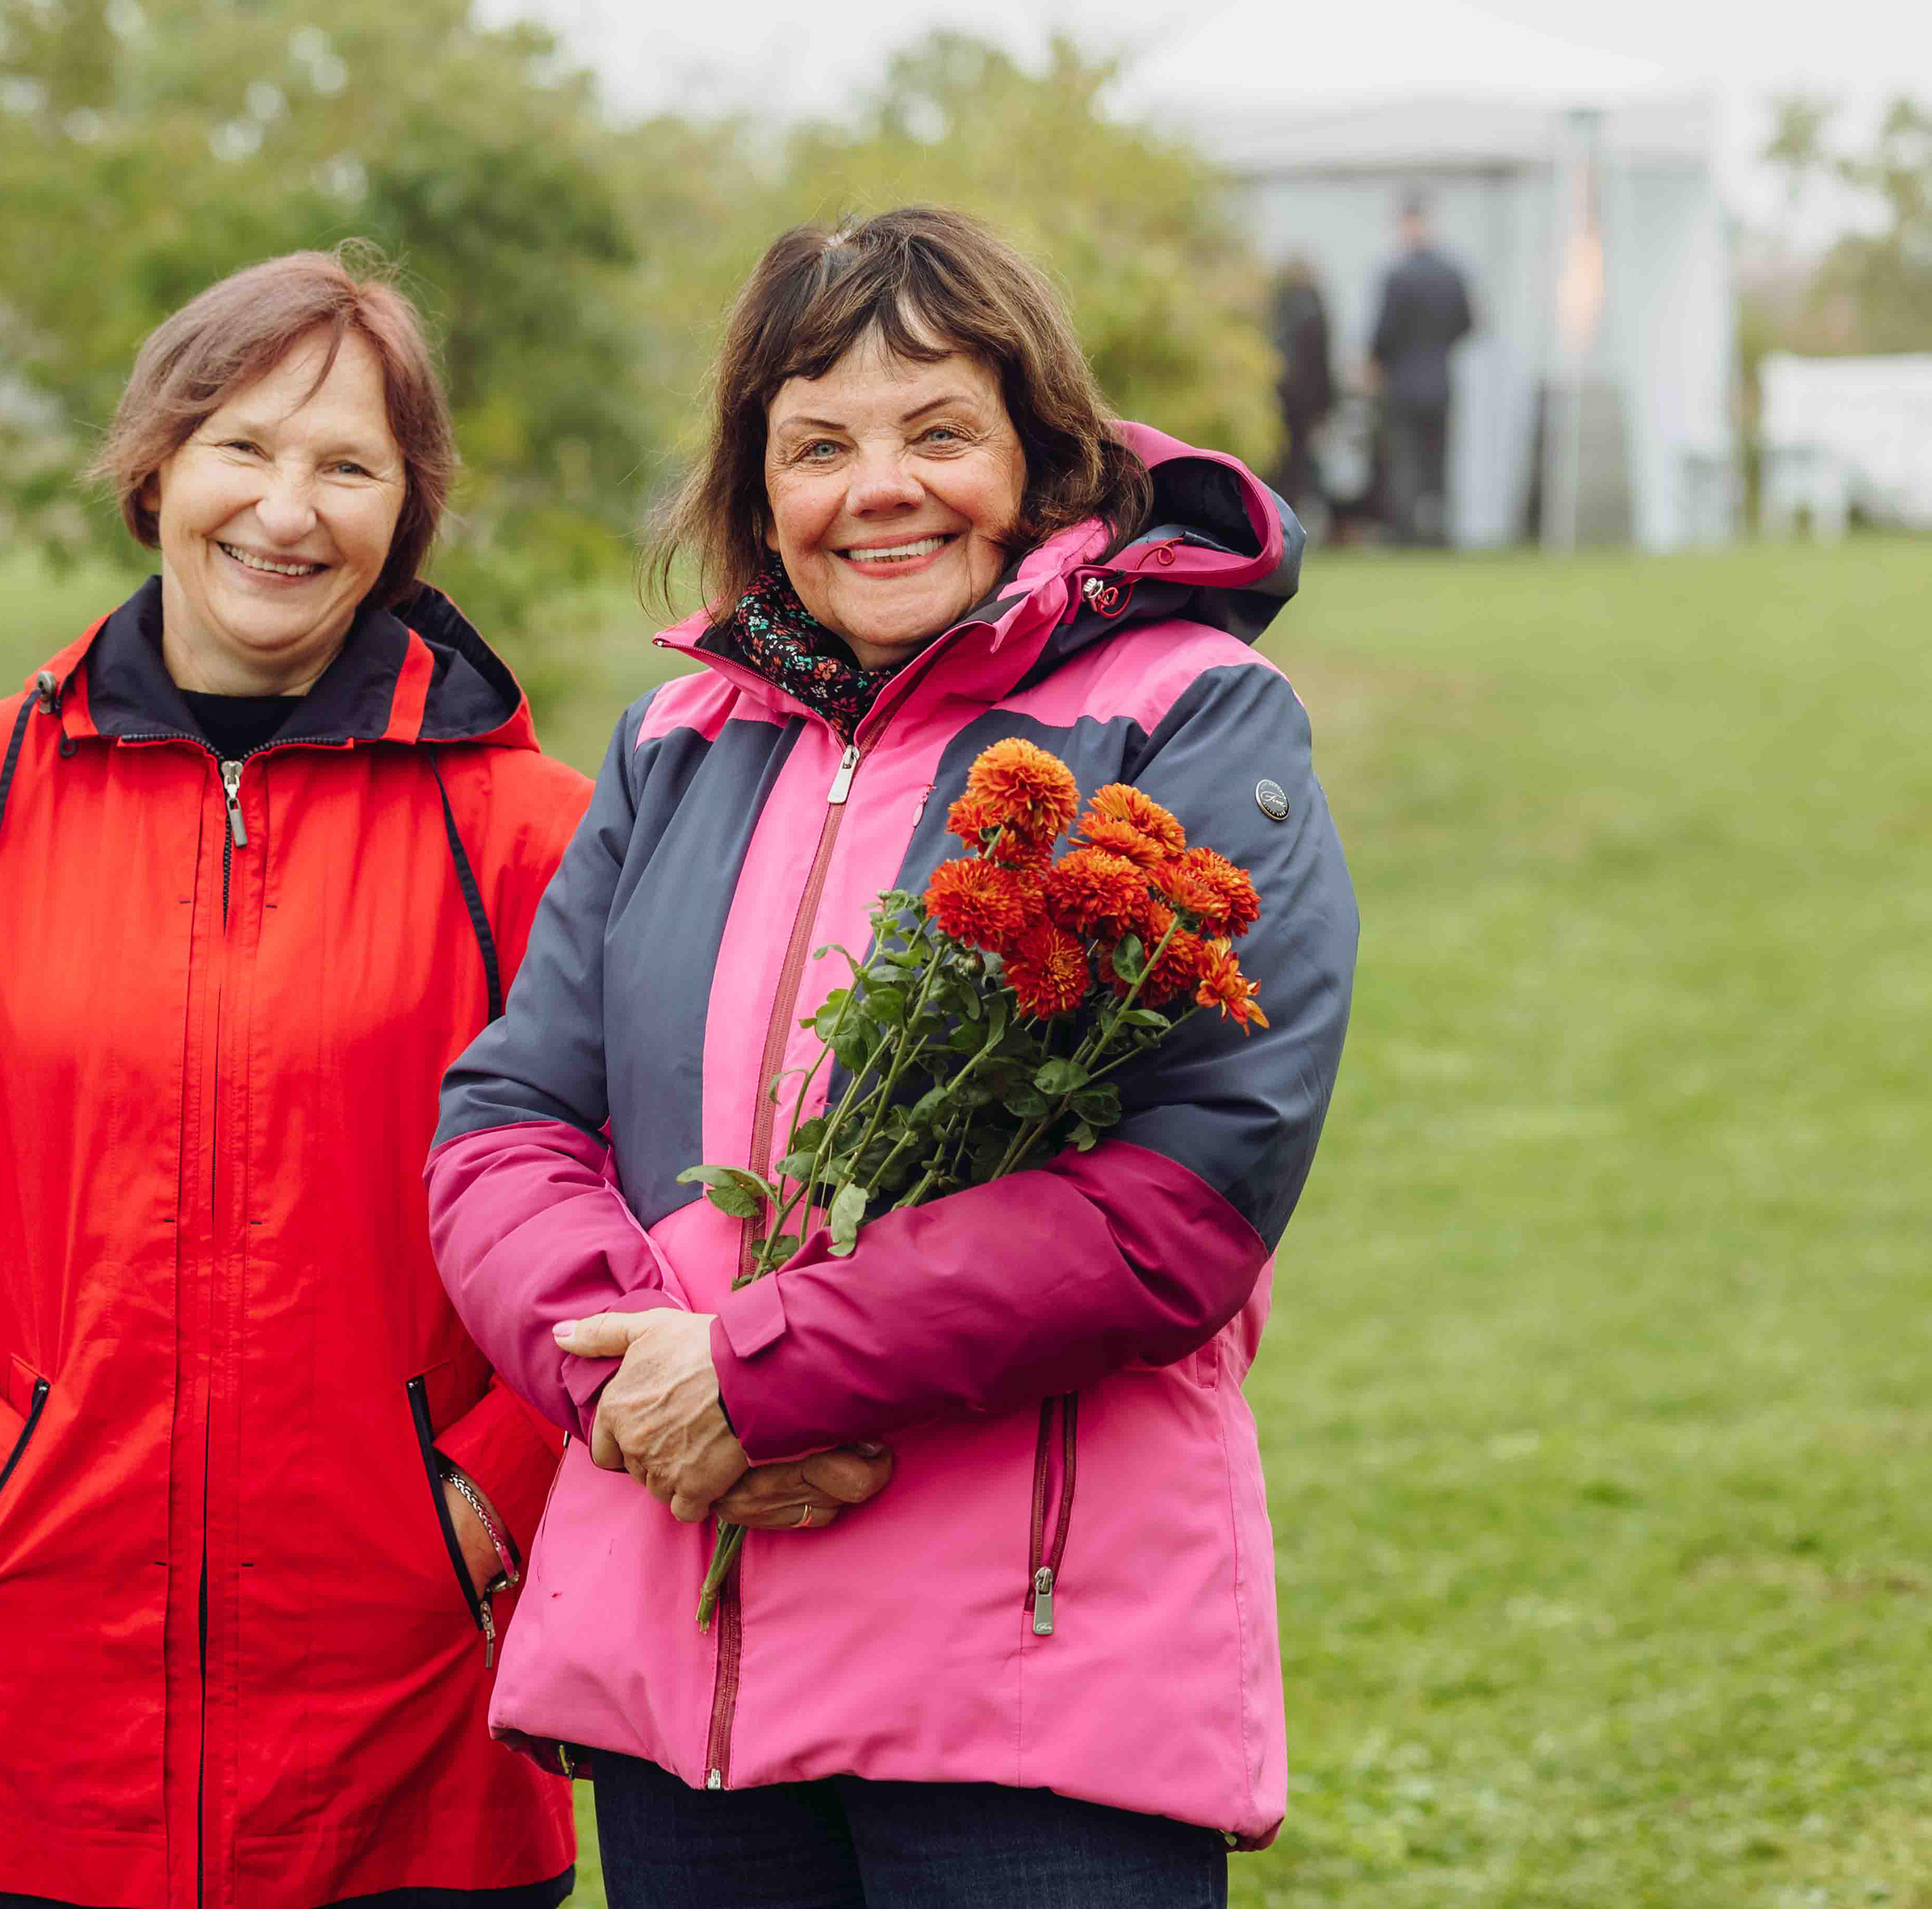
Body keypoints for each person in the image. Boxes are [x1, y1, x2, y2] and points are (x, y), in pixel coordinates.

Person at [427, 205, 1359, 1907]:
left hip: (1026, 1685)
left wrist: (763, 1373)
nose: (879, 489)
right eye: (818, 446)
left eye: (938, 432)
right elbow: (507, 1121)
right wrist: (635, 1391)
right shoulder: (677, 740)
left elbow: (1188, 1195)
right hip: (689, 1682)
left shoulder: (1185, 712)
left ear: (1039, 454)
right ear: (754, 484)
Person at [0, 249, 594, 1909]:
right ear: (155, 465)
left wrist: (495, 1494)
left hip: (418, 1728)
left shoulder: (530, 833)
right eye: (244, 446)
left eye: (348, 465)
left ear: (404, 514)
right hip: (44, 1730)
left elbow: (636, 1212)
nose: (287, 509)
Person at [1368, 194, 1474, 546]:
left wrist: (1379, 363)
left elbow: (1383, 333)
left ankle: (1406, 531)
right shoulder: (1452, 274)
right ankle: (1437, 529)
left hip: (1402, 382)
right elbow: (1468, 323)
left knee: (1405, 459)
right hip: (1440, 381)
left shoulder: (1397, 276)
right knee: (1437, 460)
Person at [1266, 257, 1333, 527]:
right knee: (1302, 460)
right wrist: (1327, 403)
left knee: (1280, 461)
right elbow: (1322, 359)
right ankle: (1299, 517)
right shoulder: (1315, 306)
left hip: (1280, 396)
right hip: (1307, 399)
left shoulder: (1278, 305)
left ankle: (1276, 517)